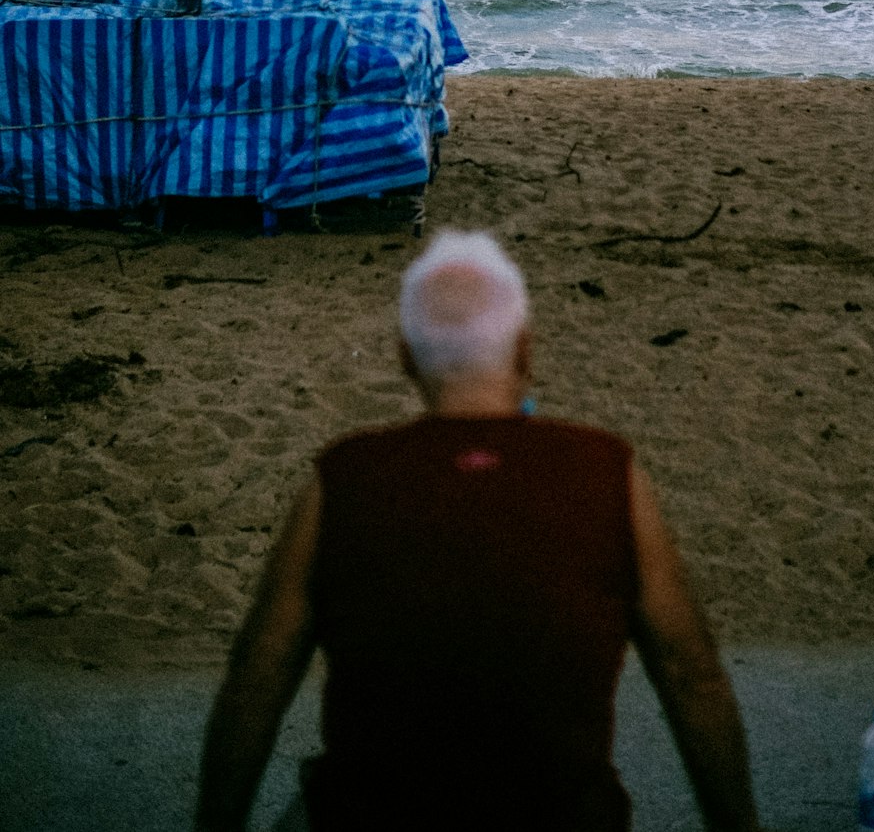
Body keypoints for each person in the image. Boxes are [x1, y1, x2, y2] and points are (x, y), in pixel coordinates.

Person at [196, 230, 764, 832]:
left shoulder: (344, 477)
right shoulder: (607, 471)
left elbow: (258, 676)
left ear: (406, 359)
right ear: (525, 351)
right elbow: (689, 673)